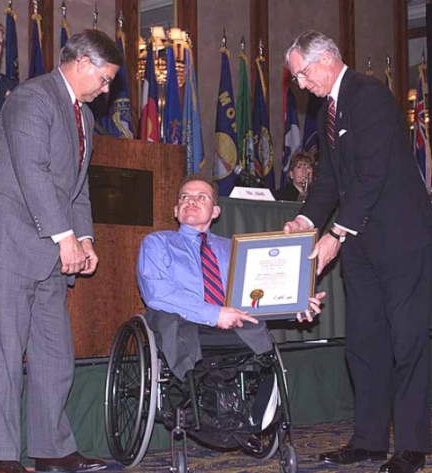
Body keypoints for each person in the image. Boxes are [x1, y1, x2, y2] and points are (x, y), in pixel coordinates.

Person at [0, 30, 123, 473]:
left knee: (55, 353)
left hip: (50, 250)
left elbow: (75, 186)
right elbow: (32, 172)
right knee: (5, 355)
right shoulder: (32, 97)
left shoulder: (84, 117)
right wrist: (63, 235)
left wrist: (84, 237)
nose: (107, 89)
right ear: (83, 64)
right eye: (105, 79)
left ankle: (52, 450)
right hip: (7, 243)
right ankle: (1, 457)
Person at [283, 30, 432, 473]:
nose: (300, 84)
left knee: (408, 342)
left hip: (402, 240)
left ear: (327, 58)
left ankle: (412, 445)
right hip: (362, 247)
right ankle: (368, 440)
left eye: (302, 74)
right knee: (365, 343)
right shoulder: (326, 109)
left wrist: (335, 234)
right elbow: (329, 177)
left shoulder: (371, 96)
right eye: (295, 77)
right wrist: (307, 222)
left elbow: (371, 175)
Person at [137, 173, 325, 383]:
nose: (191, 201)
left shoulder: (236, 249)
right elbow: (156, 292)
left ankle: (261, 405)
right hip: (183, 322)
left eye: (201, 197)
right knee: (171, 322)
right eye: (184, 197)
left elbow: (258, 294)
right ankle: (201, 394)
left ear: (216, 211)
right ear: (175, 210)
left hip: (230, 324)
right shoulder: (157, 243)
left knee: (256, 330)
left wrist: (297, 304)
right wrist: (214, 313)